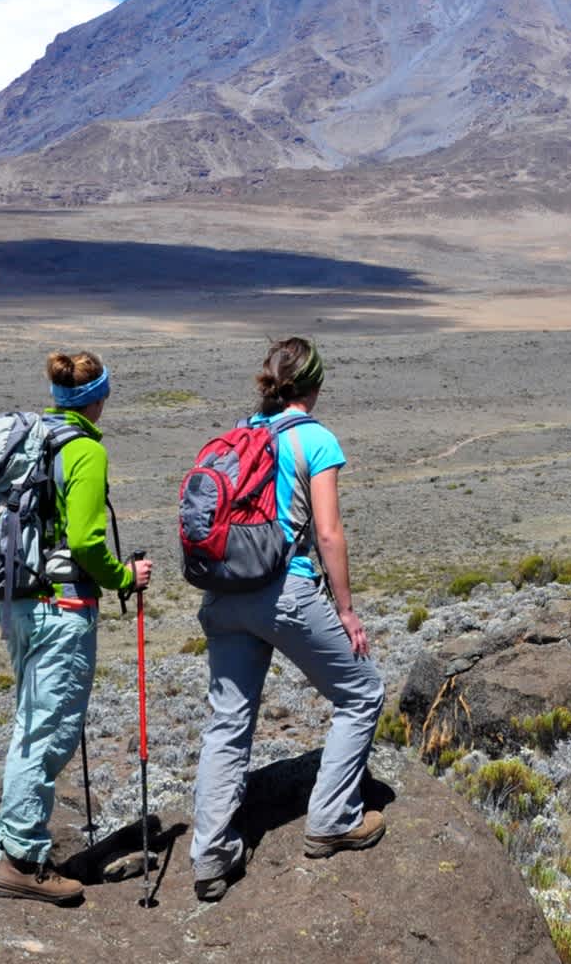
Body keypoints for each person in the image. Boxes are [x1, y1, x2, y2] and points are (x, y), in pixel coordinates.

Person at [191, 336, 386, 902]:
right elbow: (328, 533)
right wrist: (346, 611)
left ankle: (210, 856)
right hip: (285, 592)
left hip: (224, 596)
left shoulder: (242, 432)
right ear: (315, 385)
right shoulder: (314, 439)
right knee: (363, 693)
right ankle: (332, 819)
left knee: (228, 723)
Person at [0, 351, 153, 905]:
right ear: (98, 398)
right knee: (48, 732)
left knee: (30, 724)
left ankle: (17, 847)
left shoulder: (35, 439)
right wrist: (124, 575)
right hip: (61, 609)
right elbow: (85, 541)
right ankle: (22, 862)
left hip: (19, 605)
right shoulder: (83, 451)